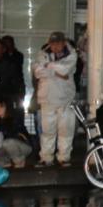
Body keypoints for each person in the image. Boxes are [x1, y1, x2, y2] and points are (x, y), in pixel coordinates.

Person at [31, 32, 78, 167]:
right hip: (47, 98)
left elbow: (65, 70)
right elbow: (37, 72)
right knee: (47, 131)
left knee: (65, 130)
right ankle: (46, 158)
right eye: (52, 44)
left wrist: (47, 66)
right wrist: (56, 71)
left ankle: (64, 157)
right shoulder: (42, 53)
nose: (55, 46)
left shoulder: (71, 54)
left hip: (65, 98)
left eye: (58, 43)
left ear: (64, 43)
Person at [0, 99, 31, 169]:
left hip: (22, 147)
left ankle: (19, 160)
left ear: (7, 108)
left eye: (1, 106)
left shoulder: (14, 118)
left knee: (7, 142)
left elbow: (13, 135)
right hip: (6, 147)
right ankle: (4, 160)